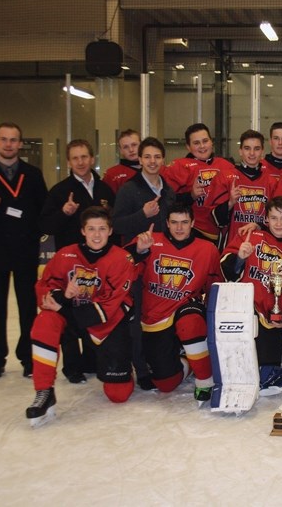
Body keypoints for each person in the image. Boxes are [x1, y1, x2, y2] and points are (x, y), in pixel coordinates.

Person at [25, 206, 137, 427]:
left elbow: (109, 307)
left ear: (110, 231)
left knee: (118, 394)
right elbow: (46, 287)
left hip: (107, 324)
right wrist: (63, 295)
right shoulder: (65, 254)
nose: (97, 235)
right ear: (83, 231)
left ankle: (122, 368)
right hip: (72, 316)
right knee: (44, 322)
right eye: (91, 229)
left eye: (102, 229)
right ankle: (44, 391)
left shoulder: (122, 259)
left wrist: (63, 308)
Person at [0, 122, 48, 380]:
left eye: (13, 140)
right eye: (4, 139)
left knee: (28, 308)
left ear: (20, 143)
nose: (8, 144)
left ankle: (28, 357)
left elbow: (43, 211)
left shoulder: (33, 174)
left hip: (25, 251)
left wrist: (34, 234)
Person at [39, 139, 115, 384]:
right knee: (68, 309)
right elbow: (45, 225)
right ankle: (72, 366)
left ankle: (91, 359)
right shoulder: (60, 191)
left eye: (85, 157)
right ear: (69, 162)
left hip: (98, 264)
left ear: (92, 159)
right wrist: (65, 213)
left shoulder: (104, 189)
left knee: (92, 309)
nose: (81, 162)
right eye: (75, 158)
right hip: (70, 264)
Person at [132, 203, 222, 407]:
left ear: (193, 223)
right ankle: (188, 360)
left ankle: (205, 380)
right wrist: (138, 251)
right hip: (154, 318)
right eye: (174, 223)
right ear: (166, 223)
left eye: (184, 222)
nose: (179, 228)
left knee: (190, 321)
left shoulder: (207, 249)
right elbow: (122, 268)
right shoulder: (150, 242)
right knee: (166, 383)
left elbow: (215, 286)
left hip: (186, 308)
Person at [220, 196, 282, 395]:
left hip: (271, 317)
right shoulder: (250, 237)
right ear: (266, 220)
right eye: (274, 218)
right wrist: (240, 258)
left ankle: (269, 367)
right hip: (243, 310)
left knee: (265, 366)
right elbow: (226, 270)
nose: (278, 223)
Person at [112, 136, 177, 390]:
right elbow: (116, 225)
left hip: (163, 264)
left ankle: (161, 360)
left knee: (158, 314)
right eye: (147, 157)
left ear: (163, 160)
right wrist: (142, 215)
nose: (152, 161)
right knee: (138, 316)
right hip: (139, 262)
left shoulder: (168, 189)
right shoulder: (129, 189)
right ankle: (141, 368)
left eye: (157, 157)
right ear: (139, 160)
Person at [161, 123, 236, 244]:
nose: (202, 146)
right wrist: (190, 196)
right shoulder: (178, 166)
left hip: (225, 231)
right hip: (194, 230)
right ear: (188, 147)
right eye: (196, 143)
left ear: (211, 142)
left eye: (205, 141)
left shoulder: (227, 166)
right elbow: (166, 201)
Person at [204, 129, 278, 246]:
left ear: (262, 152)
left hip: (261, 247)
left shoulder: (272, 181)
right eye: (247, 148)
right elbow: (213, 219)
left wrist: (259, 225)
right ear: (240, 151)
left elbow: (279, 220)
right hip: (232, 246)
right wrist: (230, 203)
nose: (252, 153)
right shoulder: (225, 177)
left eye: (257, 149)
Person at [103, 129, 141, 193]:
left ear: (142, 145)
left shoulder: (154, 169)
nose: (131, 150)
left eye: (134, 145)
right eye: (126, 147)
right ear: (121, 151)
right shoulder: (112, 174)